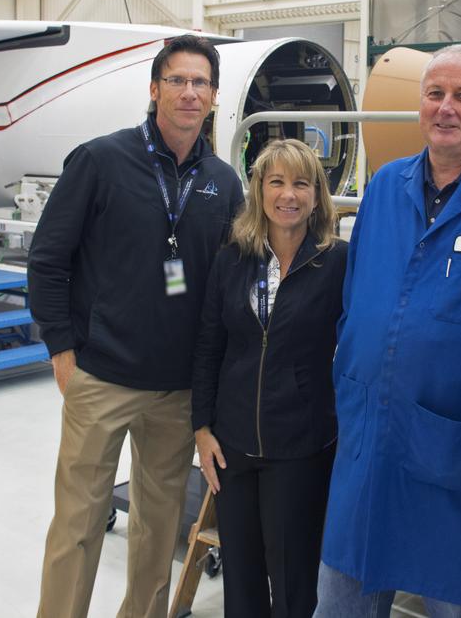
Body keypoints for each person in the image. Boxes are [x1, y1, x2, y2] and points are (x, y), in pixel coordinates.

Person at [315, 45, 461, 617]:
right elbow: (356, 306)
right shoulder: (384, 189)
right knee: (342, 601)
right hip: (369, 444)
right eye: (434, 94)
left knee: (459, 600)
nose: (446, 108)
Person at [29, 33, 244, 618]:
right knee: (77, 525)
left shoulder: (223, 183)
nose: (189, 92)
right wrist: (62, 351)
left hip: (176, 391)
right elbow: (48, 260)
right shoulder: (100, 160)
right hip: (100, 377)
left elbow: (226, 281)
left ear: (214, 97)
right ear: (154, 90)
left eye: (200, 83)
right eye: (177, 80)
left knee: (158, 528)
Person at [193, 138, 348, 618]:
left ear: (317, 194)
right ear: (259, 191)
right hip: (232, 448)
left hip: (299, 449)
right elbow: (208, 347)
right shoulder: (234, 259)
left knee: (294, 583)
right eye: (276, 182)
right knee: (240, 581)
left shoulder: (337, 263)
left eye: (301, 183)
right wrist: (202, 429)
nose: (288, 194)